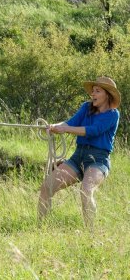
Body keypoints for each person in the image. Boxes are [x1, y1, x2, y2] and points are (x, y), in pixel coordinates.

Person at [38, 76, 120, 228]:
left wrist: (66, 129)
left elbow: (93, 131)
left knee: (86, 190)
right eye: (92, 91)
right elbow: (69, 123)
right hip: (78, 157)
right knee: (46, 187)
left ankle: (90, 234)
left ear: (107, 95)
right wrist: (54, 126)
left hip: (98, 160)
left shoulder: (113, 115)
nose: (92, 94)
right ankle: (41, 229)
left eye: (97, 91)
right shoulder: (85, 107)